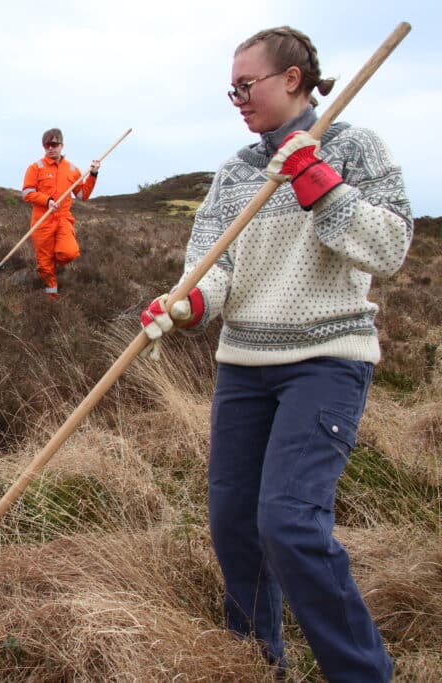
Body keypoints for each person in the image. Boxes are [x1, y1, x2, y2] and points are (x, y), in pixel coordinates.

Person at [140, 26, 412, 681]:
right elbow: (212, 266)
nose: (236, 97)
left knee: (288, 523)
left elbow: (391, 248)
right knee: (235, 525)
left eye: (246, 84)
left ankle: (362, 673)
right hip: (243, 367)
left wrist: (320, 184)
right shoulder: (235, 172)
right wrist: (188, 302)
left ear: (291, 79)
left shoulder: (353, 147)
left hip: (326, 361)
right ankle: (256, 664)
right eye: (229, 88)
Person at [21, 128, 100, 300]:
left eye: (54, 144)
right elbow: (27, 193)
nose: (51, 148)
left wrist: (93, 174)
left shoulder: (72, 170)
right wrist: (47, 200)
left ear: (61, 145)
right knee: (44, 262)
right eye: (47, 145)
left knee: (69, 252)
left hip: (63, 219)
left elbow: (82, 195)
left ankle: (51, 262)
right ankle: (52, 298)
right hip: (42, 220)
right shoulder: (35, 168)